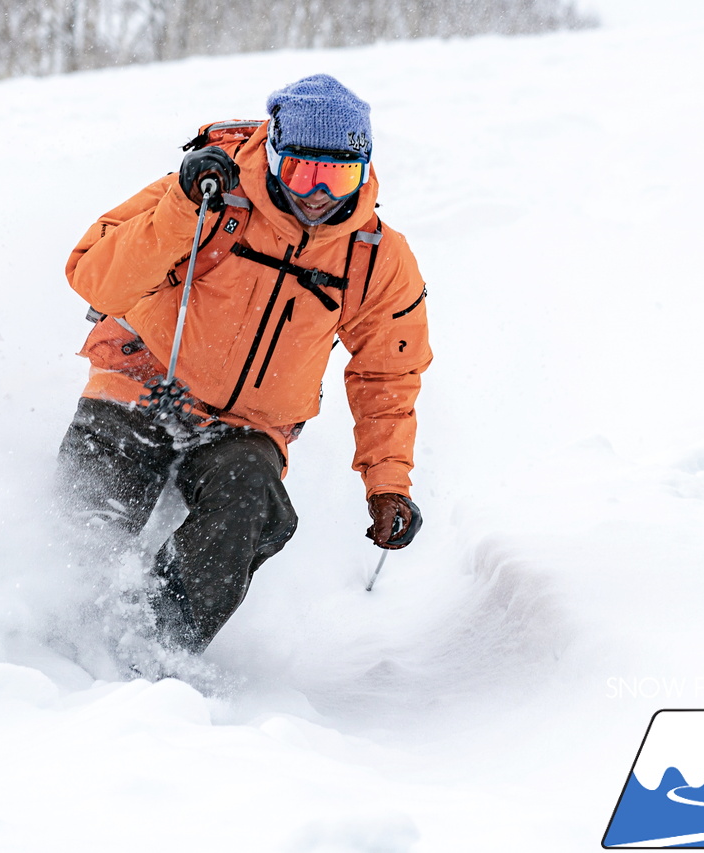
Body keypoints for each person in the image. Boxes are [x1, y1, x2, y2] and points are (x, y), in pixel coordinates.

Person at [56, 74, 432, 657]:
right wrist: (182, 209)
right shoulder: (208, 195)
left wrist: (387, 483)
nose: (317, 192)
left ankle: (155, 655)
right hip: (142, 383)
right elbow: (96, 279)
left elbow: (387, 373)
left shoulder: (376, 256)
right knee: (91, 513)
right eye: (302, 170)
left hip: (247, 427)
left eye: (338, 174)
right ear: (274, 155)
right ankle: (53, 634)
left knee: (252, 504)